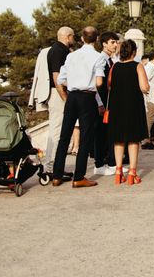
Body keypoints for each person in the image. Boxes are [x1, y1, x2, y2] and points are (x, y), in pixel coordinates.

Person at [52, 27, 105, 188]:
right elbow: (99, 82)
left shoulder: (71, 56)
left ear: (82, 38)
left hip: (72, 96)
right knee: (86, 137)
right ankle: (79, 176)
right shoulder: (98, 57)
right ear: (96, 39)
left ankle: (57, 175)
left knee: (64, 136)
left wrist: (75, 83)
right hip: (87, 97)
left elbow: (61, 79)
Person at [106, 40, 149, 185]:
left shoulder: (115, 67)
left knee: (118, 139)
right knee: (133, 139)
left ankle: (118, 172)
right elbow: (144, 87)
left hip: (117, 106)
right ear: (134, 52)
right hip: (133, 105)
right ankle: (132, 173)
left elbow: (109, 85)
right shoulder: (138, 66)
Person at [44, 26, 74, 178]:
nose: (73, 40)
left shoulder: (57, 50)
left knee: (59, 130)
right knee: (57, 130)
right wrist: (64, 97)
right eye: (72, 37)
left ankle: (55, 166)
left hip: (58, 93)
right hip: (58, 93)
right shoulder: (59, 51)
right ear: (68, 37)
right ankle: (51, 167)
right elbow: (56, 76)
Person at [93, 31, 118, 176]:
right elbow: (96, 84)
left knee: (109, 133)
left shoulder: (111, 60)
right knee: (100, 133)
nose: (115, 45)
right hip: (101, 102)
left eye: (115, 42)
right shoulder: (101, 60)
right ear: (104, 44)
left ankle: (111, 163)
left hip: (109, 102)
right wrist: (99, 103)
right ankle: (99, 164)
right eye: (112, 42)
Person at [142, 52, 154, 149]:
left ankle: (147, 138)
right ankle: (146, 140)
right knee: (149, 119)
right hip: (151, 97)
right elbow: (145, 79)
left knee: (150, 119)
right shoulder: (151, 67)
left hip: (153, 96)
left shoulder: (150, 67)